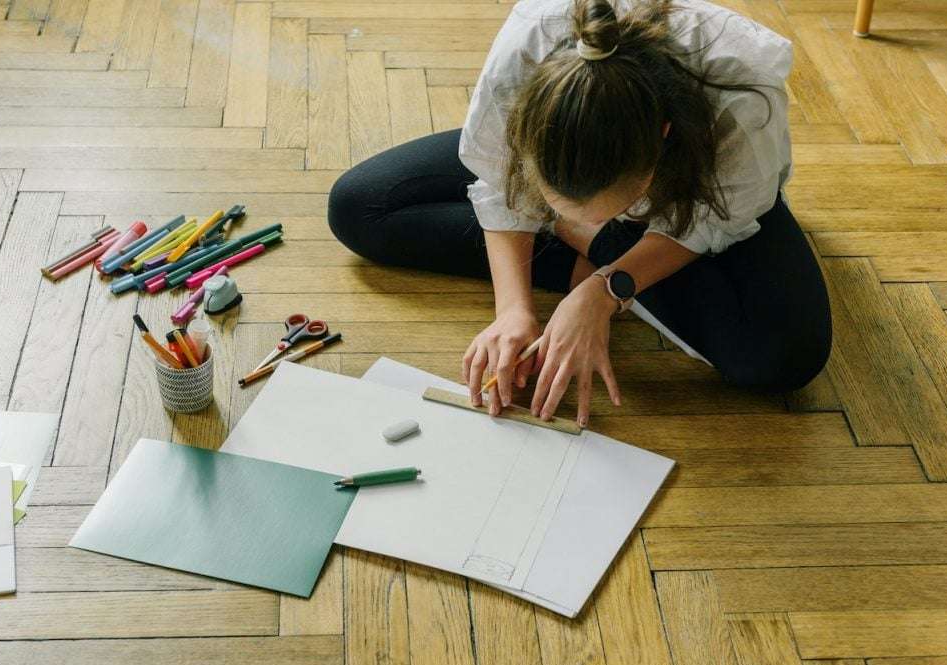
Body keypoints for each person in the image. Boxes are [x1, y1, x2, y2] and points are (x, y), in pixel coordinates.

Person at [328, 0, 832, 428]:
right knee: (360, 205)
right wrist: (514, 311)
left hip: (706, 195)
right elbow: (500, 183)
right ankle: (592, 251)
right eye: (550, 207)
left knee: (782, 360)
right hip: (576, 157)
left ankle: (593, 260)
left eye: (600, 215)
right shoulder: (528, 49)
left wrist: (605, 291)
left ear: (661, 142)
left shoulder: (742, 99)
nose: (548, 213)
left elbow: (714, 222)